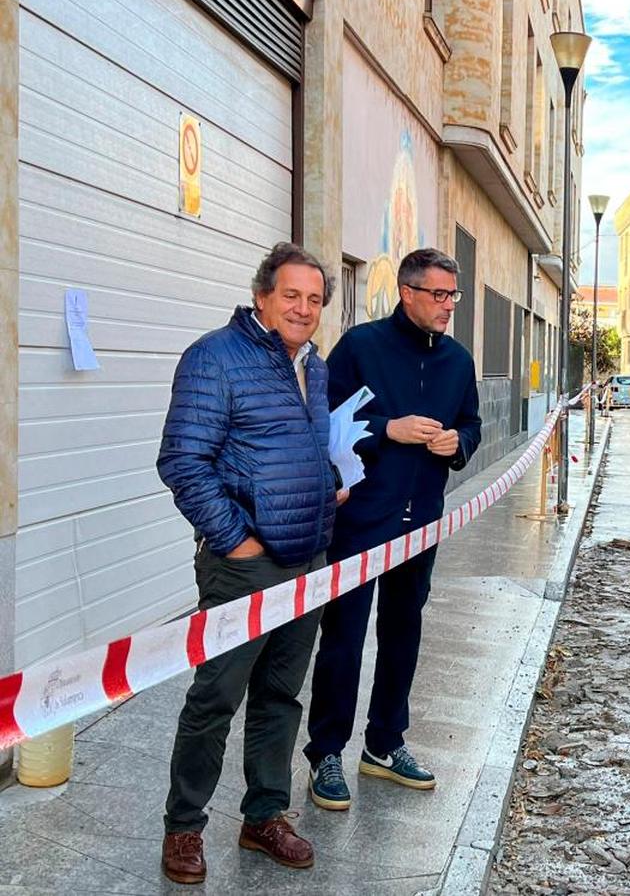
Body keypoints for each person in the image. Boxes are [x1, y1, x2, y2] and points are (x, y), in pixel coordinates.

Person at [157, 243, 339, 884]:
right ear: (262, 296)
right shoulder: (216, 357)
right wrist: (236, 540)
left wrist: (326, 487)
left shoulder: (312, 368)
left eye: (315, 299)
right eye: (291, 295)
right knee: (215, 698)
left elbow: (305, 447)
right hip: (245, 567)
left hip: (306, 559)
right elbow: (183, 461)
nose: (304, 308)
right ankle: (184, 828)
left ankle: (264, 816)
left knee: (280, 696)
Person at [304, 248, 482, 810]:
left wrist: (461, 444)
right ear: (407, 293)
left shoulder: (457, 360)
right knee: (345, 638)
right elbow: (325, 421)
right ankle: (326, 752)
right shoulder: (361, 346)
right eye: (439, 294)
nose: (448, 305)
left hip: (421, 521)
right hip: (360, 521)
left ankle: (384, 745)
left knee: (404, 633)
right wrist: (389, 428)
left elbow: (471, 422)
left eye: (453, 295)